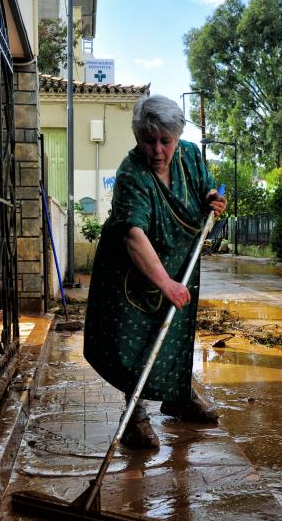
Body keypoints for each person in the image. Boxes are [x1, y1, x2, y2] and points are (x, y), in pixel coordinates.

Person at [83, 95, 227, 449]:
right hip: (132, 272)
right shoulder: (132, 174)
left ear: (176, 138)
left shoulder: (190, 154)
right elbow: (134, 234)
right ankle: (134, 415)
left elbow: (207, 186)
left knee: (176, 334)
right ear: (138, 138)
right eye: (150, 140)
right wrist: (165, 284)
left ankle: (178, 397)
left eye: (166, 140)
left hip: (179, 262)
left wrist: (212, 197)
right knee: (138, 341)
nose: (158, 149)